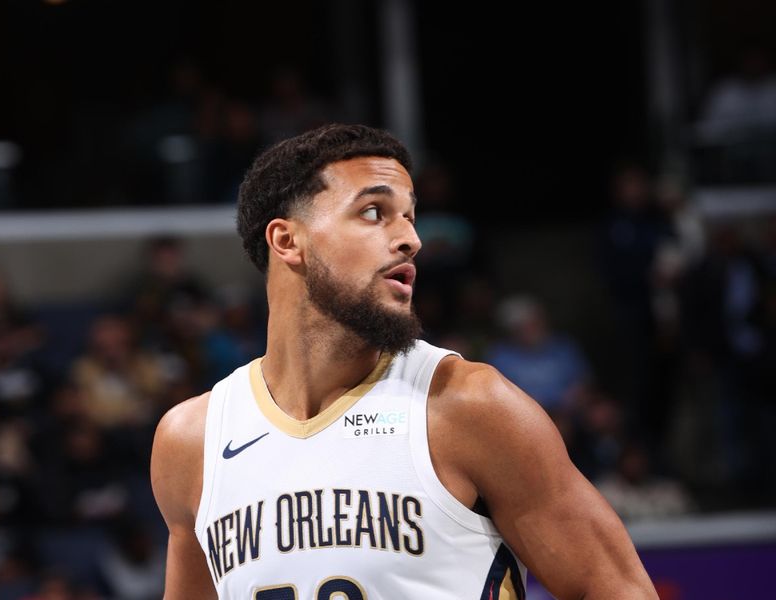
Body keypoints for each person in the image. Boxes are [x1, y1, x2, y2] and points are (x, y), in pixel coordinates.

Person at [150, 124, 657, 599]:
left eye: (410, 216)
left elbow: (618, 589)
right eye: (373, 212)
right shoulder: (192, 441)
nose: (411, 239)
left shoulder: (468, 405)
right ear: (288, 241)